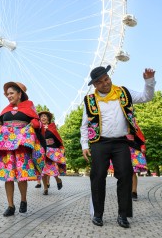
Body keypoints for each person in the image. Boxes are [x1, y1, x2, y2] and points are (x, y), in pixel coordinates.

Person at [80, 66, 156, 228]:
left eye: (106, 79)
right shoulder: (89, 100)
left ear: (109, 77)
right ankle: (98, 215)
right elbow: (84, 125)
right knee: (98, 177)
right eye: (100, 82)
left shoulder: (123, 92)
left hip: (121, 142)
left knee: (126, 176)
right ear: (95, 85)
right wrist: (84, 145)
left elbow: (146, 97)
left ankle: (123, 215)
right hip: (99, 143)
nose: (105, 83)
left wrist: (148, 81)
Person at [0, 81, 45, 217]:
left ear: (20, 94)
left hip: (21, 148)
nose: (8, 96)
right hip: (6, 149)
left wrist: (35, 123)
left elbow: (37, 124)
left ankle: (23, 200)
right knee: (7, 177)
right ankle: (10, 205)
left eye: (11, 93)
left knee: (22, 176)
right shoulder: (6, 110)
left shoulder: (29, 107)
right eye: (7, 94)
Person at [107, 126, 148, 201]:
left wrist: (143, 146)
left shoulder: (133, 124)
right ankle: (125, 192)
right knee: (123, 172)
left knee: (132, 172)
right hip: (120, 150)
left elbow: (140, 137)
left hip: (133, 150)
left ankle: (134, 192)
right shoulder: (116, 124)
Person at [38, 111, 65, 195]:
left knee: (52, 167)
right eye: (41, 116)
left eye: (45, 116)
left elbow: (58, 139)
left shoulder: (52, 127)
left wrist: (60, 149)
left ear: (48, 118)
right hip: (42, 151)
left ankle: (58, 179)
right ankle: (45, 188)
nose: (43, 117)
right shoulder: (38, 128)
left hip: (52, 150)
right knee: (43, 170)